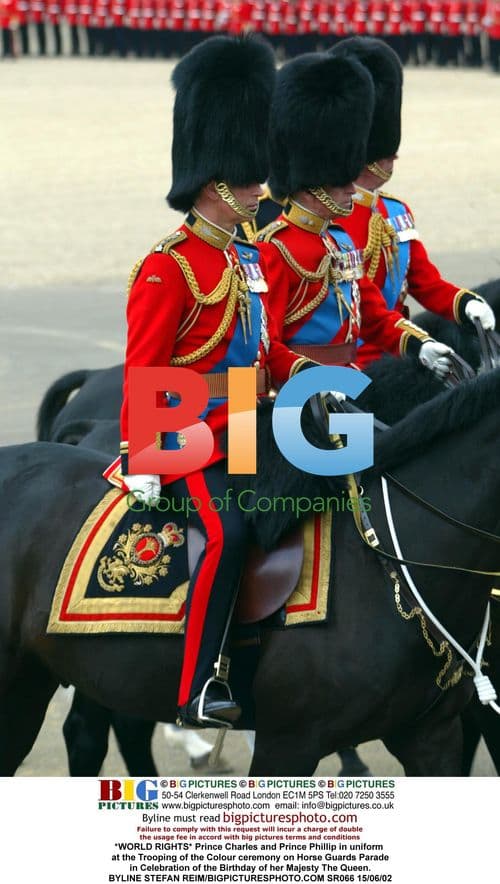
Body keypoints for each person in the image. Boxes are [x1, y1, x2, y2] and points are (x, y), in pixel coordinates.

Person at [118, 35, 316, 729]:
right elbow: (145, 366)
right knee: (229, 531)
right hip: (187, 427)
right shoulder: (167, 267)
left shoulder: (249, 258)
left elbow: (265, 352)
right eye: (250, 183)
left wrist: (311, 374)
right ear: (215, 184)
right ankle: (200, 684)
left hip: (249, 415)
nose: (262, 192)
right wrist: (145, 451)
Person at [257, 51, 455, 380]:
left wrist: (419, 345)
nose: (353, 189)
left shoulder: (340, 241)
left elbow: (375, 316)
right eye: (341, 181)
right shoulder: (273, 249)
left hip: (348, 383)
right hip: (295, 397)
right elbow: (262, 345)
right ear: (311, 185)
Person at [329, 37, 495, 368]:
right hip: (339, 372)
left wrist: (466, 305)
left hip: (396, 354)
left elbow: (426, 283)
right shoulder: (324, 223)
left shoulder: (395, 213)